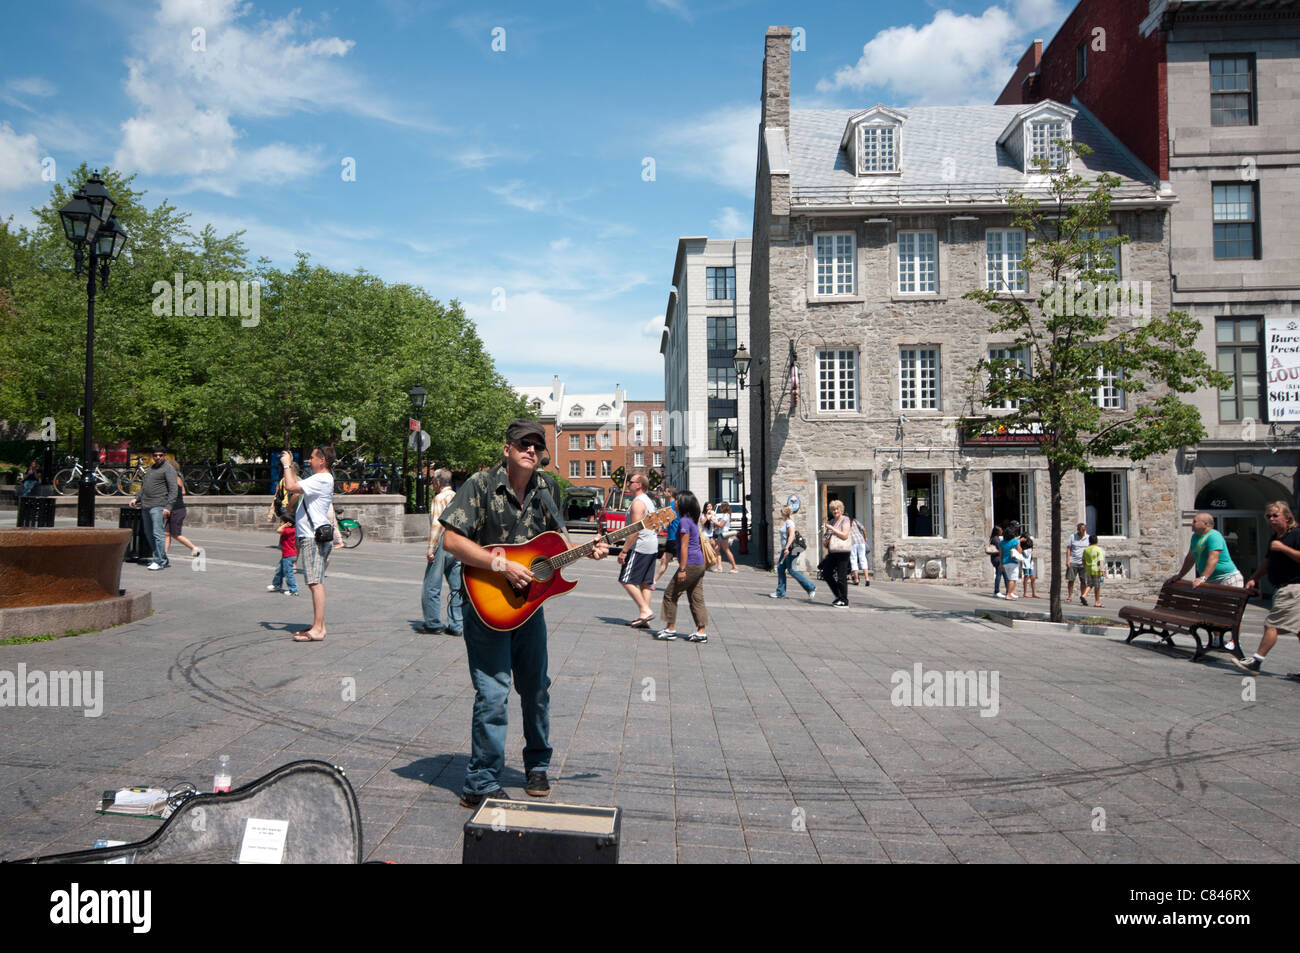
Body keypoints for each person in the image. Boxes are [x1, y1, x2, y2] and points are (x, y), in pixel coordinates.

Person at [440, 419, 609, 807]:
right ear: (507, 449)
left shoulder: (548, 488)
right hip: (487, 606)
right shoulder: (481, 485)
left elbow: (554, 542)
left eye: (537, 445)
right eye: (523, 443)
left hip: (530, 607)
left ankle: (537, 765)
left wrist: (590, 548)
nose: (531, 450)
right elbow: (451, 539)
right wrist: (502, 566)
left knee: (536, 689)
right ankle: (479, 782)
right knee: (493, 693)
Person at [1235, 501, 1300, 675]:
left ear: (1287, 517)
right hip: (1285, 588)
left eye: (1275, 515)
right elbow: (1268, 561)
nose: (1271, 519)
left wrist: (1283, 548)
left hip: (1293, 589)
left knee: (1271, 624)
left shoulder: (1295, 535)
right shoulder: (1275, 538)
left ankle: (1256, 661)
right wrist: (1254, 578)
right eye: (1268, 516)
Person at [282, 445, 335, 642]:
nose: (309, 460)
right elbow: (295, 483)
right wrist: (290, 467)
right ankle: (319, 625)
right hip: (313, 535)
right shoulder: (320, 478)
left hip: (313, 537)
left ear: (322, 460)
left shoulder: (322, 478)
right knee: (316, 581)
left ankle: (318, 630)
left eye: (312, 457)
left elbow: (290, 487)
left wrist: (287, 465)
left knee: (315, 583)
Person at [655, 489, 708, 642]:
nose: (674, 502)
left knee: (670, 593)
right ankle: (701, 631)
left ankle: (670, 629)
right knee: (696, 597)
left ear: (683, 503)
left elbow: (684, 547)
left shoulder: (684, 521)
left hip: (690, 564)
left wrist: (682, 569)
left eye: (677, 500)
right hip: (699, 563)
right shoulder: (691, 520)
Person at [421, 468, 463, 636]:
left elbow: (437, 525)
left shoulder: (439, 498)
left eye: (432, 481)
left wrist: (431, 549)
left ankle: (433, 623)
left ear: (438, 482)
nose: (432, 484)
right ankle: (457, 625)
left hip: (443, 542)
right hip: (459, 543)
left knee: (432, 584)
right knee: (457, 586)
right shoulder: (458, 497)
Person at [618, 472, 659, 627]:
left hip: (640, 546)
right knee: (645, 583)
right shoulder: (648, 501)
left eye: (630, 481)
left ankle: (645, 610)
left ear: (639, 485)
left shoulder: (638, 503)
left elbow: (634, 531)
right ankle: (644, 618)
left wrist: (624, 551)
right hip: (652, 545)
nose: (627, 483)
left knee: (625, 579)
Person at [131, 446, 177, 571]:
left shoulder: (168, 469)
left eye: (160, 455)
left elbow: (174, 489)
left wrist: (168, 507)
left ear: (165, 455)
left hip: (158, 505)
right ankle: (163, 558)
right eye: (155, 455)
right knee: (148, 533)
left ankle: (159, 560)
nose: (157, 457)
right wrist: (137, 498)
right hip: (146, 504)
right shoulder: (151, 469)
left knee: (158, 534)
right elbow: (144, 486)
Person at [1170, 512, 1244, 589]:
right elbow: (1190, 558)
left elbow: (1213, 559)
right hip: (1211, 580)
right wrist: (1180, 575)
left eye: (1195, 522)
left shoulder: (1214, 535)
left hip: (1227, 579)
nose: (1192, 524)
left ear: (1206, 524)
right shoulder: (1195, 537)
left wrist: (1203, 578)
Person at [770, 504, 816, 601]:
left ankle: (810, 587)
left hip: (790, 550)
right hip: (786, 550)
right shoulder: (786, 522)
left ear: (784, 512)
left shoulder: (789, 523)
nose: (780, 513)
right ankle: (780, 592)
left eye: (781, 511)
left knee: (792, 570)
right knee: (780, 568)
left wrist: (786, 548)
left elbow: (791, 536)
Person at [163, 465, 201, 560]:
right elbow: (183, 492)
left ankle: (194, 548)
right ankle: (164, 554)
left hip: (176, 509)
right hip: (176, 509)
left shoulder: (170, 480)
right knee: (166, 533)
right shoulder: (178, 478)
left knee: (176, 535)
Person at [822, 499, 852, 607]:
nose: (835, 511)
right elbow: (826, 542)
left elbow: (844, 535)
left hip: (843, 551)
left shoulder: (845, 519)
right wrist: (826, 541)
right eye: (833, 509)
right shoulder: (831, 521)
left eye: (837, 509)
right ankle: (838, 595)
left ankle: (844, 600)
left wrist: (832, 529)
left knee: (841, 576)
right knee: (826, 573)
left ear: (841, 509)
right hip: (833, 551)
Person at [653, 485, 679, 588]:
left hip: (676, 538)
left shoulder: (673, 506)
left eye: (666, 491)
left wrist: (658, 529)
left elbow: (667, 521)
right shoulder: (671, 505)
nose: (664, 493)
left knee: (667, 560)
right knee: (664, 560)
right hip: (672, 538)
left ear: (670, 494)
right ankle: (653, 582)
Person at [267, 517, 300, 595]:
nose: (280, 524)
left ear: (287, 523)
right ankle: (276, 585)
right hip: (287, 555)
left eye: (281, 522)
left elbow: (278, 530)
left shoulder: (288, 530)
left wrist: (284, 525)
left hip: (289, 555)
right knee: (279, 570)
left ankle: (293, 590)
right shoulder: (291, 530)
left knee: (289, 573)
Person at [1064, 522, 1089, 602]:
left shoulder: (1088, 537)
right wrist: (1068, 560)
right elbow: (1068, 549)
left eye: (1084, 530)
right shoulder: (1072, 537)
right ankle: (1070, 596)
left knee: (1083, 580)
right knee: (1071, 580)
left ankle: (1083, 596)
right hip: (1073, 561)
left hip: (1083, 562)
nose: (1082, 532)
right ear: (1078, 530)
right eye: (1081, 530)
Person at [712, 501, 739, 573]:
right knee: (716, 549)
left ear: (723, 508)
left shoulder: (726, 515)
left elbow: (721, 525)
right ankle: (719, 567)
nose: (720, 508)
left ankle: (734, 566)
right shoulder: (726, 515)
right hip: (721, 534)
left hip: (723, 535)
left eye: (721, 507)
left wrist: (713, 521)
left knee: (726, 550)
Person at [1081, 534, 1105, 607]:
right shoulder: (1098, 549)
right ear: (1097, 541)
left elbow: (1083, 560)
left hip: (1088, 569)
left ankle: (1084, 595)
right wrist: (1102, 571)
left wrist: (1085, 568)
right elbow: (1100, 561)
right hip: (1096, 569)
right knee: (1097, 586)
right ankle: (1097, 602)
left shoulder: (1086, 549)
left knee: (1090, 584)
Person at [1000, 529, 1024, 600]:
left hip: (1005, 562)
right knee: (1013, 579)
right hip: (1013, 561)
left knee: (1009, 578)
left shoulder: (1002, 543)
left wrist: (1001, 563)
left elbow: (1000, 554)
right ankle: (1009, 594)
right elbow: (1020, 550)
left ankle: (1010, 593)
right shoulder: (1014, 541)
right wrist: (1018, 543)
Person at [849, 515, 870, 586]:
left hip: (852, 542)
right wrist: (865, 537)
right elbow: (863, 528)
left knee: (853, 559)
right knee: (863, 559)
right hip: (861, 541)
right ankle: (867, 578)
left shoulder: (844, 523)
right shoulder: (855, 521)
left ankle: (856, 579)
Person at [990, 525, 1009, 597]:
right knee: (999, 575)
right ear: (997, 532)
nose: (1002, 531)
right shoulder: (996, 539)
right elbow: (1000, 549)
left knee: (1004, 575)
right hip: (998, 559)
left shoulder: (995, 538)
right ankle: (996, 591)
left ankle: (1008, 591)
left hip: (997, 558)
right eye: (1000, 530)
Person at [1019, 533, 1037, 598]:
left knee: (1032, 577)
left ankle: (1034, 592)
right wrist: (1021, 540)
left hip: (1030, 562)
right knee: (1026, 576)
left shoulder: (1030, 542)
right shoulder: (1021, 545)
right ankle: (1025, 592)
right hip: (1025, 562)